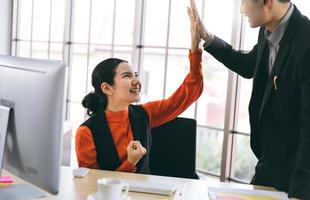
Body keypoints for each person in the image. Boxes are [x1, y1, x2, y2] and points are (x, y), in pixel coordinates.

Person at [188, 0, 310, 199]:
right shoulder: (269, 30)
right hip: (269, 163)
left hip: (299, 173)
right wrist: (206, 37)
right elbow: (247, 65)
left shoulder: (306, 41)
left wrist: (300, 192)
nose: (241, 9)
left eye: (243, 1)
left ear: (266, 2)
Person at [75, 9, 203, 174]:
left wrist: (195, 50)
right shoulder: (86, 132)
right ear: (107, 88)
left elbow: (189, 93)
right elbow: (91, 186)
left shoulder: (145, 113)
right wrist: (130, 162)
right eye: (127, 76)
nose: (136, 81)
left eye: (136, 75)